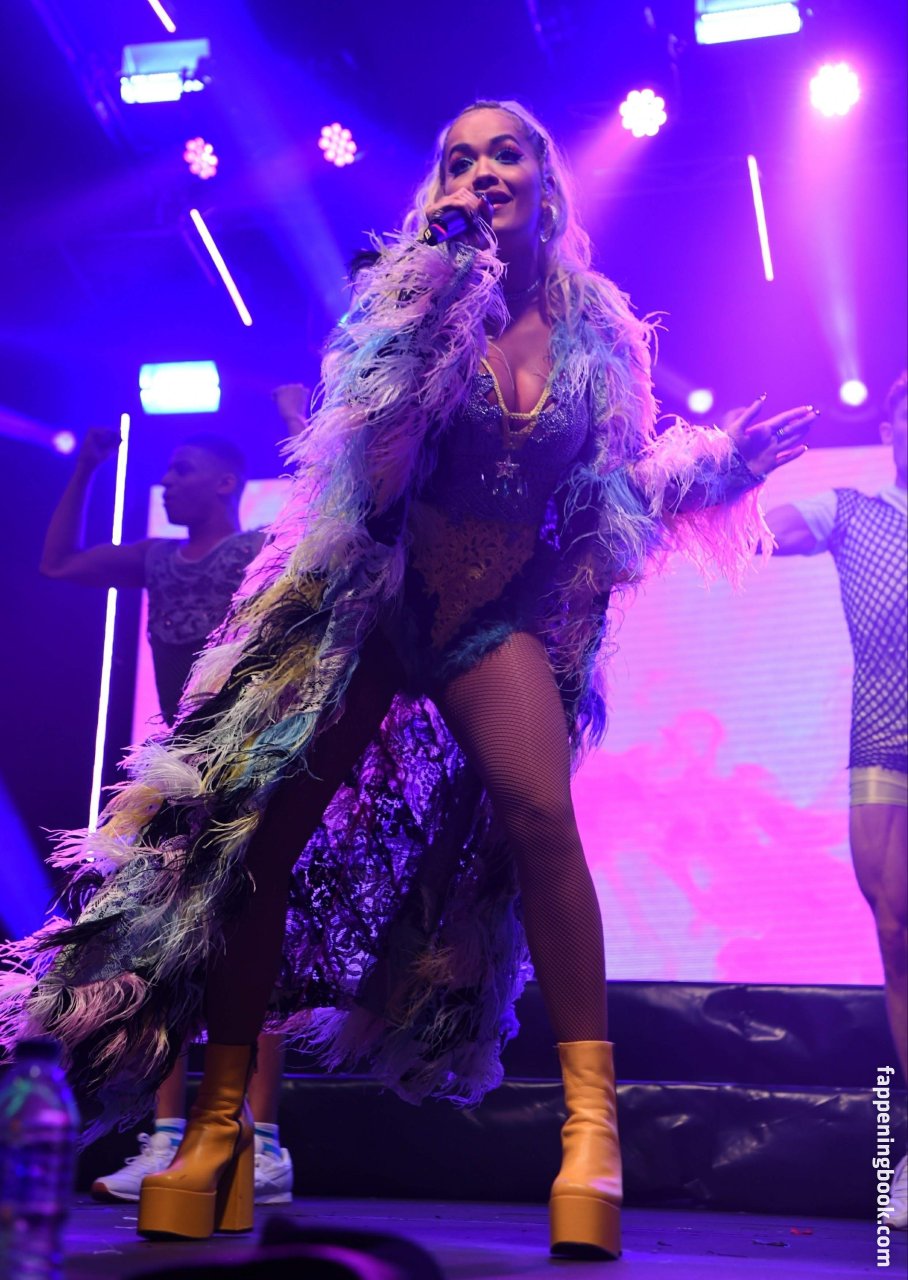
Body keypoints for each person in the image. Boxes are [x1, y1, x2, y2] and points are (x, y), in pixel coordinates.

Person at [1, 100, 814, 1259]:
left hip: (489, 619)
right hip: (369, 606)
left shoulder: (596, 333)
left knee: (541, 819)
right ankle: (221, 1126)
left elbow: (612, 495)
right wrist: (435, 287)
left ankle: (590, 1132)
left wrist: (720, 464)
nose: (481, 172)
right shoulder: (412, 296)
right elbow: (368, 451)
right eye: (457, 159)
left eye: (503, 154)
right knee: (252, 840)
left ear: (545, 181)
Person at [39, 424, 306, 1205]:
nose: (166, 481)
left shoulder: (257, 548)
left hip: (254, 762)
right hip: (181, 772)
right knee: (167, 951)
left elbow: (337, 536)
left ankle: (262, 1144)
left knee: (254, 946)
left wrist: (298, 425)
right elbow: (57, 564)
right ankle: (164, 1140)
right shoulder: (157, 559)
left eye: (182, 469)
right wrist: (85, 471)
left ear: (225, 482)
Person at [765, 371, 907, 1231]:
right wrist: (732, 476)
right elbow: (764, 532)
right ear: (891, 430)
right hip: (883, 741)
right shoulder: (852, 511)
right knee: (894, 933)